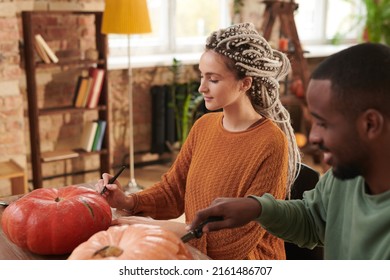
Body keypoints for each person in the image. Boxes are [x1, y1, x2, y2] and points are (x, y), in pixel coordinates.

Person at [96, 22, 301, 260]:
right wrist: (128, 200)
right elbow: (173, 192)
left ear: (245, 83)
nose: (202, 87)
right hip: (196, 252)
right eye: (202, 76)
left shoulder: (271, 142)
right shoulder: (204, 126)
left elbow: (234, 244)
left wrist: (165, 229)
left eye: (213, 79)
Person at [188, 42, 390, 260]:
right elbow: (312, 219)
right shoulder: (343, 177)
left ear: (370, 124)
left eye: (323, 124)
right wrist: (257, 208)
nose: (313, 137)